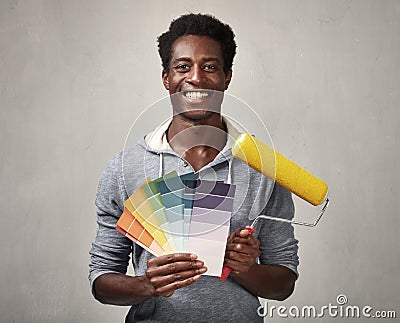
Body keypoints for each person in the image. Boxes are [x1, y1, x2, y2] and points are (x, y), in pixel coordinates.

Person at [89, 13, 299, 322]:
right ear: (166, 78)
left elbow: (283, 284)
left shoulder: (264, 169)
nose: (196, 78)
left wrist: (243, 269)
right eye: (183, 67)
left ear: (227, 77)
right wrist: (145, 285)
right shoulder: (125, 169)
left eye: (210, 67)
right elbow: (101, 281)